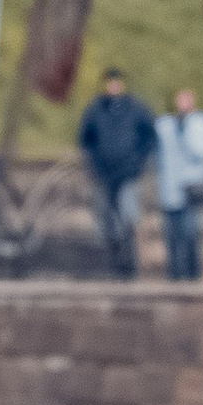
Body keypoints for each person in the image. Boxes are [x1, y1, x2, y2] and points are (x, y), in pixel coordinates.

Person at [77, 66, 156, 277]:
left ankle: (129, 264)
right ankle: (113, 263)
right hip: (103, 176)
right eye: (110, 81)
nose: (113, 85)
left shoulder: (136, 109)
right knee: (106, 221)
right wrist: (94, 164)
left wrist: (137, 163)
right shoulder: (95, 110)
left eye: (117, 81)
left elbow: (150, 138)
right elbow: (86, 140)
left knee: (128, 217)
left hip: (128, 175)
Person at [153, 85, 203, 279]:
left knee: (190, 231)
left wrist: (185, 133)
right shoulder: (167, 124)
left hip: (192, 186)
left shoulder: (202, 124)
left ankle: (192, 273)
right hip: (170, 186)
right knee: (171, 233)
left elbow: (202, 152)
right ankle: (175, 272)